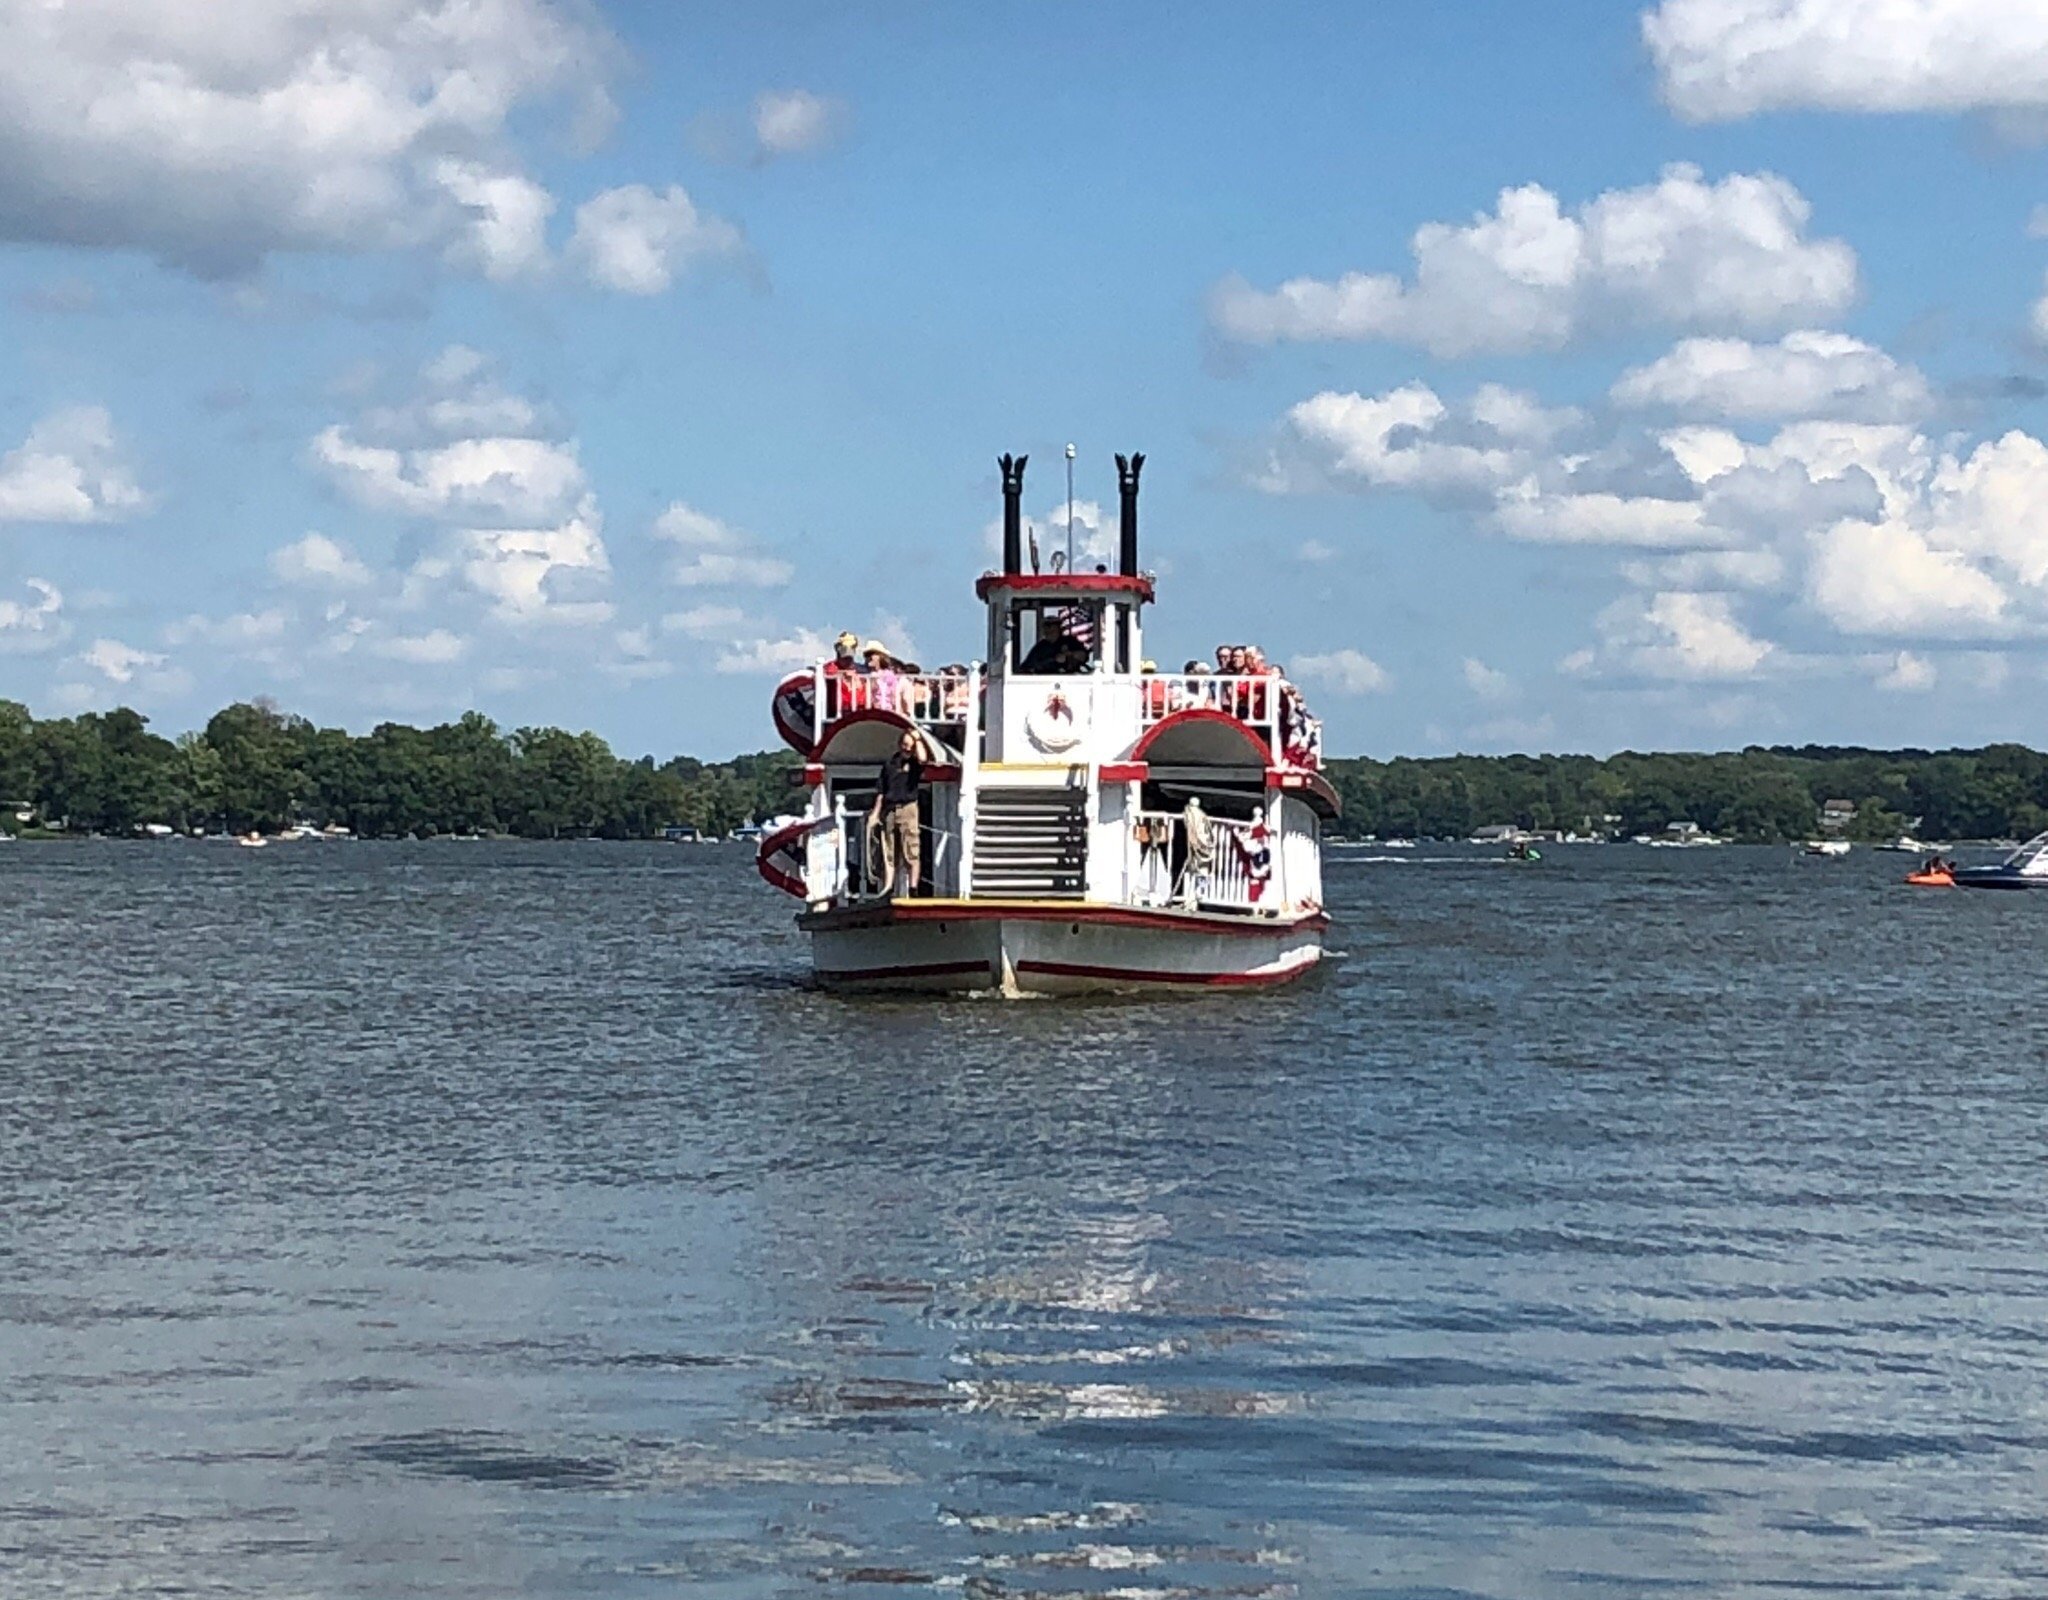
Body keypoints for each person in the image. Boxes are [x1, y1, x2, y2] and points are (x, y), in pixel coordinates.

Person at [869, 730, 924, 897]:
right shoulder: (890, 764)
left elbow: (923, 758)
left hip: (909, 808)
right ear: (900, 745)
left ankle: (913, 890)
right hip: (890, 809)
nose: (907, 749)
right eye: (905, 745)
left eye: (910, 747)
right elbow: (881, 791)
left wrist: (917, 738)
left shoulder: (915, 763)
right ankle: (888, 887)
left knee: (911, 850)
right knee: (888, 850)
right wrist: (875, 813)